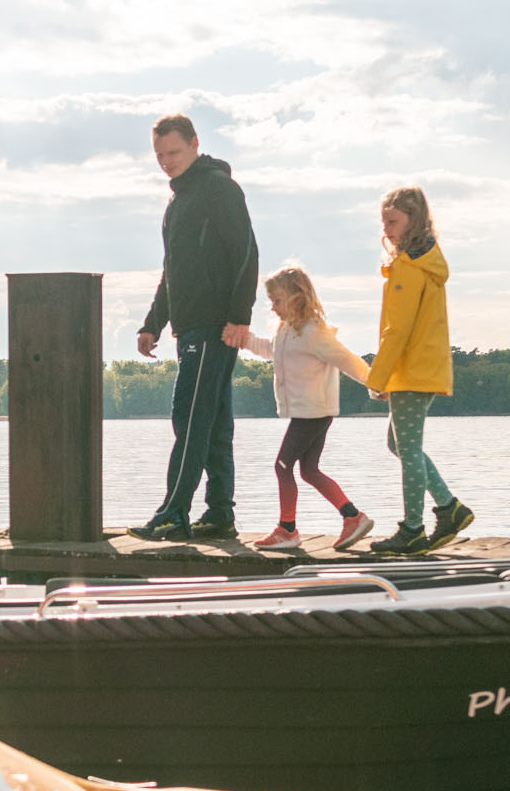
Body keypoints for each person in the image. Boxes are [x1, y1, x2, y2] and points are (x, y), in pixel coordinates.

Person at [134, 114, 259, 540]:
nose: (166, 161)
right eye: (159, 155)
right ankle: (220, 513)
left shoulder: (219, 189)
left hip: (215, 326)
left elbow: (245, 253)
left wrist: (240, 317)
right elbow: (173, 271)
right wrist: (153, 323)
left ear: (194, 144)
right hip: (189, 328)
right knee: (215, 422)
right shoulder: (178, 201)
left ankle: (174, 510)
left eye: (172, 152)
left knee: (189, 417)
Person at [366, 185, 475, 555]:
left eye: (393, 221)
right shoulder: (423, 261)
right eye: (384, 221)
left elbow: (397, 330)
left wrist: (376, 377)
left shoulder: (409, 267)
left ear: (413, 221)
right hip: (421, 366)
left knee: (408, 449)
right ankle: (448, 508)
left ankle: (413, 529)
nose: (387, 228)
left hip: (412, 368)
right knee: (398, 443)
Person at [241, 264, 375, 552]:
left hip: (314, 411)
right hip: (309, 412)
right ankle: (353, 516)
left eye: (277, 300)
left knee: (282, 465)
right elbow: (269, 351)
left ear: (297, 296)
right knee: (309, 470)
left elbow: (347, 359)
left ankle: (287, 529)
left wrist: (375, 383)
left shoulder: (314, 332)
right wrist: (245, 339)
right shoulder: (286, 331)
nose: (273, 307)